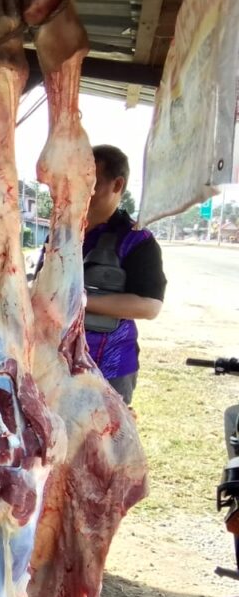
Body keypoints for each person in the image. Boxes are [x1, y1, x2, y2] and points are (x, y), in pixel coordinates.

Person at [78, 145, 166, 404]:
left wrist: (81, 301)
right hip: (55, 362)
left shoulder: (137, 240)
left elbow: (150, 306)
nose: (81, 190)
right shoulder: (62, 234)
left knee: (101, 441)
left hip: (109, 368)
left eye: (90, 183)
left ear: (117, 185)